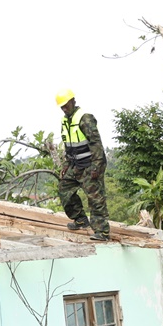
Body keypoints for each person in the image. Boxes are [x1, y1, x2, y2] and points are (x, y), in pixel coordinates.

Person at [57, 89, 110, 241]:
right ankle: (80, 219)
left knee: (95, 199)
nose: (64, 108)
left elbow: (96, 144)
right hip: (75, 165)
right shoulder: (65, 121)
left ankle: (102, 232)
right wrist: (66, 165)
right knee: (64, 189)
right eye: (61, 106)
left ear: (73, 101)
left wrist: (96, 167)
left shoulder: (85, 119)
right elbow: (69, 146)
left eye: (66, 105)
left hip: (90, 165)